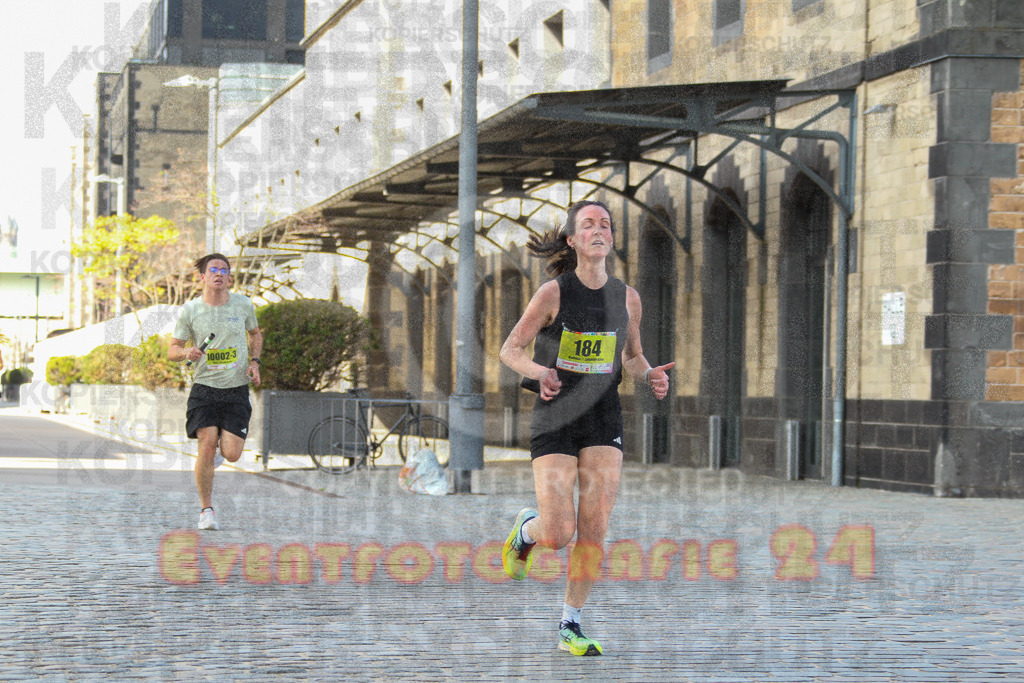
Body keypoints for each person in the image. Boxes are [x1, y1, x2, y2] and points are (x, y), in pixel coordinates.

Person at [499, 200, 674, 656]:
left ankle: (570, 624)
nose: (599, 229)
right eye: (588, 224)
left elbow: (631, 357)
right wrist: (540, 373)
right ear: (574, 240)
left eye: (606, 224)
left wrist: (651, 374)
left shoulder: (627, 298)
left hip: (602, 417)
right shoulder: (553, 294)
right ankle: (526, 532)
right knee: (558, 532)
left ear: (611, 238)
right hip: (556, 415)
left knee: (593, 528)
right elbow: (511, 350)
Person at [169, 253, 262, 531]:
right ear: (203, 277)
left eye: (224, 270)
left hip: (235, 388)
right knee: (206, 445)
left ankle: (220, 454)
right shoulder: (191, 310)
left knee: (232, 453)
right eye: (213, 270)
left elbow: (255, 335)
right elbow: (173, 350)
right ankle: (206, 510)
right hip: (205, 388)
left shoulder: (243, 305)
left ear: (229, 276)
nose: (219, 274)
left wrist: (255, 362)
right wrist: (188, 351)